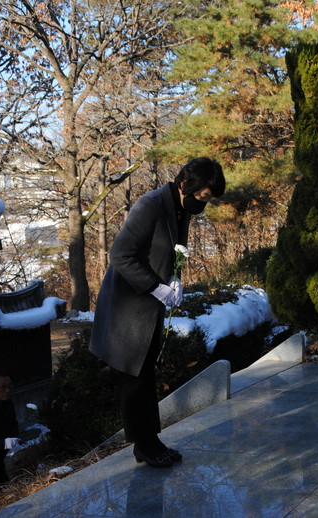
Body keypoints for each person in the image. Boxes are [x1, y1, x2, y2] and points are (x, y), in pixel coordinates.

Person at [89, 157, 225, 468]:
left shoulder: (180, 208)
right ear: (185, 184)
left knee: (146, 372)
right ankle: (143, 445)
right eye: (203, 196)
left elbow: (172, 251)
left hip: (150, 305)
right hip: (128, 306)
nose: (204, 203)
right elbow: (120, 255)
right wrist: (155, 286)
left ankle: (151, 441)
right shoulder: (150, 205)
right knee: (135, 376)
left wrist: (175, 279)